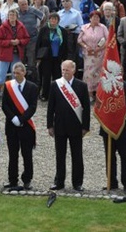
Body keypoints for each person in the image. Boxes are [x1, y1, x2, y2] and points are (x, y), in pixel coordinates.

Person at [47, 60, 90, 192]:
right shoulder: (55, 85)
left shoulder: (81, 86)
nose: (65, 72)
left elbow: (86, 108)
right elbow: (50, 107)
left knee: (77, 156)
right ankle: (59, 181)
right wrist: (49, 125)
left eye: (67, 70)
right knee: (60, 155)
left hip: (76, 126)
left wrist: (85, 126)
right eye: (63, 70)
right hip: (59, 125)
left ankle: (77, 183)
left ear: (73, 70)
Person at [2, 62, 38, 191]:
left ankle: (27, 180)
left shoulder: (32, 87)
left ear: (24, 73)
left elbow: (33, 107)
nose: (16, 75)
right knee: (13, 154)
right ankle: (12, 180)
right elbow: (4, 105)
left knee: (26, 154)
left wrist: (22, 119)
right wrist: (13, 118)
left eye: (18, 73)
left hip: (26, 126)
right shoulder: (8, 86)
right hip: (11, 126)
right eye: (14, 73)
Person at [99, 79, 126, 193]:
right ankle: (111, 182)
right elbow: (98, 105)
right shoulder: (104, 87)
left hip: (123, 127)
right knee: (109, 156)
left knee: (125, 157)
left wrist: (117, 107)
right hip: (107, 127)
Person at [0, 9, 30, 85]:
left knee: (16, 74)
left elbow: (27, 38)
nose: (12, 17)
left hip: (17, 54)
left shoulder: (21, 26)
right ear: (8, 16)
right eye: (10, 15)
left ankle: (15, 91)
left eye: (14, 15)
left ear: (17, 16)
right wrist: (9, 42)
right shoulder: (2, 27)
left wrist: (19, 41)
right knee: (1, 75)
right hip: (4, 54)